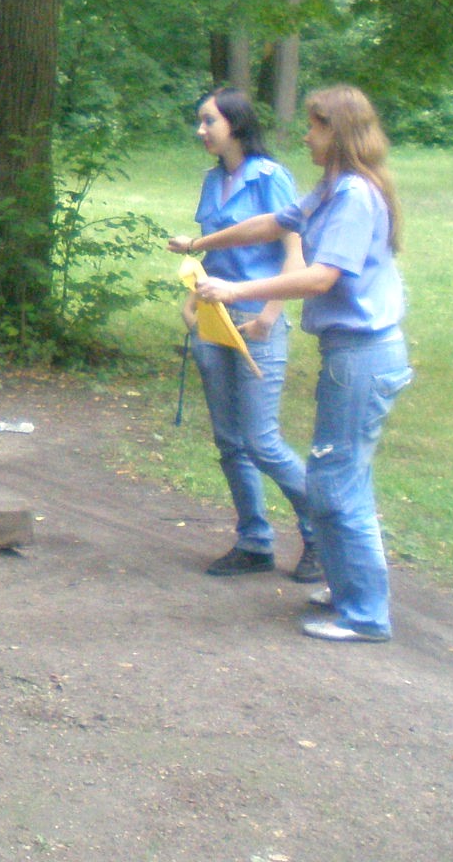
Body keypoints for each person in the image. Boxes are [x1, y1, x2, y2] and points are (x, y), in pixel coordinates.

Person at [169, 85, 410, 644]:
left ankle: (366, 615)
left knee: (336, 482)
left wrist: (239, 291)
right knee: (338, 479)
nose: (305, 136)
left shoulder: (353, 195)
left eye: (315, 127)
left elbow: (323, 276)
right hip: (349, 353)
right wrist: (203, 243)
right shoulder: (331, 190)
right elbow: (271, 225)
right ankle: (350, 592)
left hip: (364, 354)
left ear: (339, 132)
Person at [176, 89, 319, 585]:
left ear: (235, 124)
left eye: (207, 121)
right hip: (214, 321)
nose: (200, 130)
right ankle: (254, 541)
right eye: (199, 121)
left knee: (262, 440)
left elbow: (293, 255)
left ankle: (321, 535)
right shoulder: (212, 180)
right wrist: (191, 302)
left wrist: (269, 316)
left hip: (257, 319)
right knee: (231, 442)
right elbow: (212, 256)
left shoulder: (271, 177)